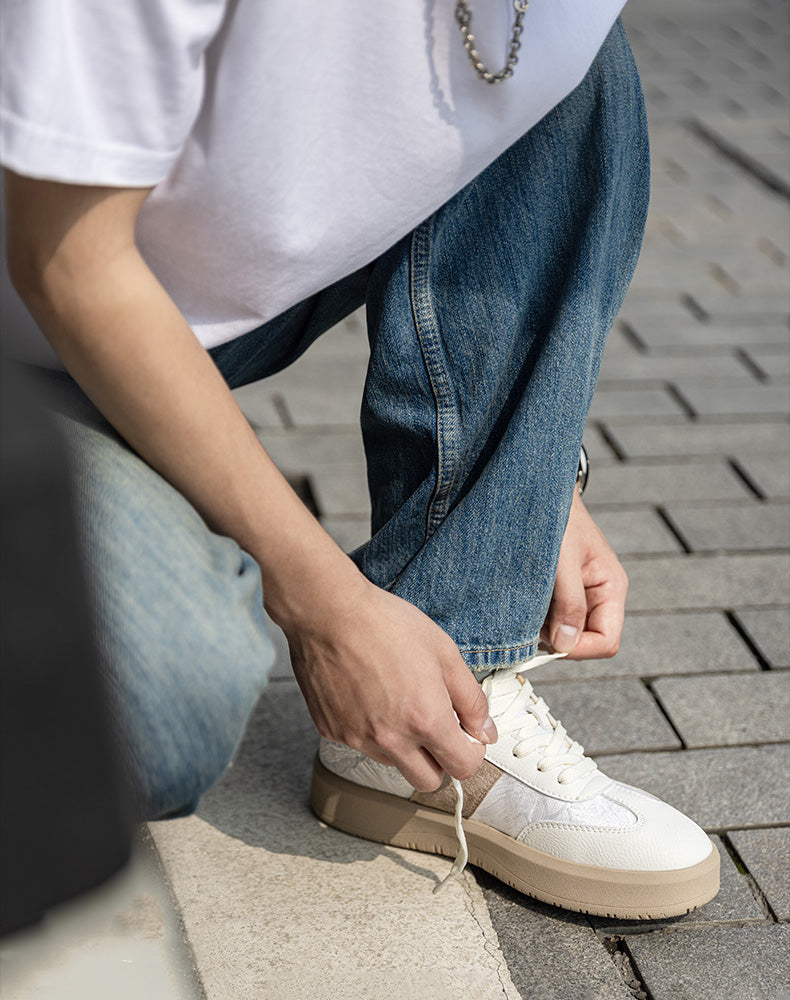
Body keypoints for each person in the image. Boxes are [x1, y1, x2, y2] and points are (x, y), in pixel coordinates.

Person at [1, 2, 719, 919]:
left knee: (564, 71)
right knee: (160, 711)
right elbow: (65, 262)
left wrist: (524, 473)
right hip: (39, 319)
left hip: (184, 310)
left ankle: (440, 719)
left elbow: (500, 183)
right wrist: (322, 602)